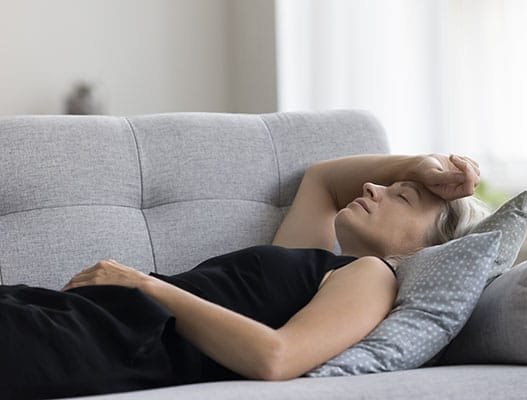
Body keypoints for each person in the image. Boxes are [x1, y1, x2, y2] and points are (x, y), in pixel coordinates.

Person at [0, 153, 490, 399]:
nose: (372, 186)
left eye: (401, 196)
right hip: (77, 315)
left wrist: (145, 284)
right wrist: (421, 165)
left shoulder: (373, 278)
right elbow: (322, 179)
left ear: (432, 246)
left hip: (110, 342)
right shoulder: (318, 262)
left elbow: (275, 359)